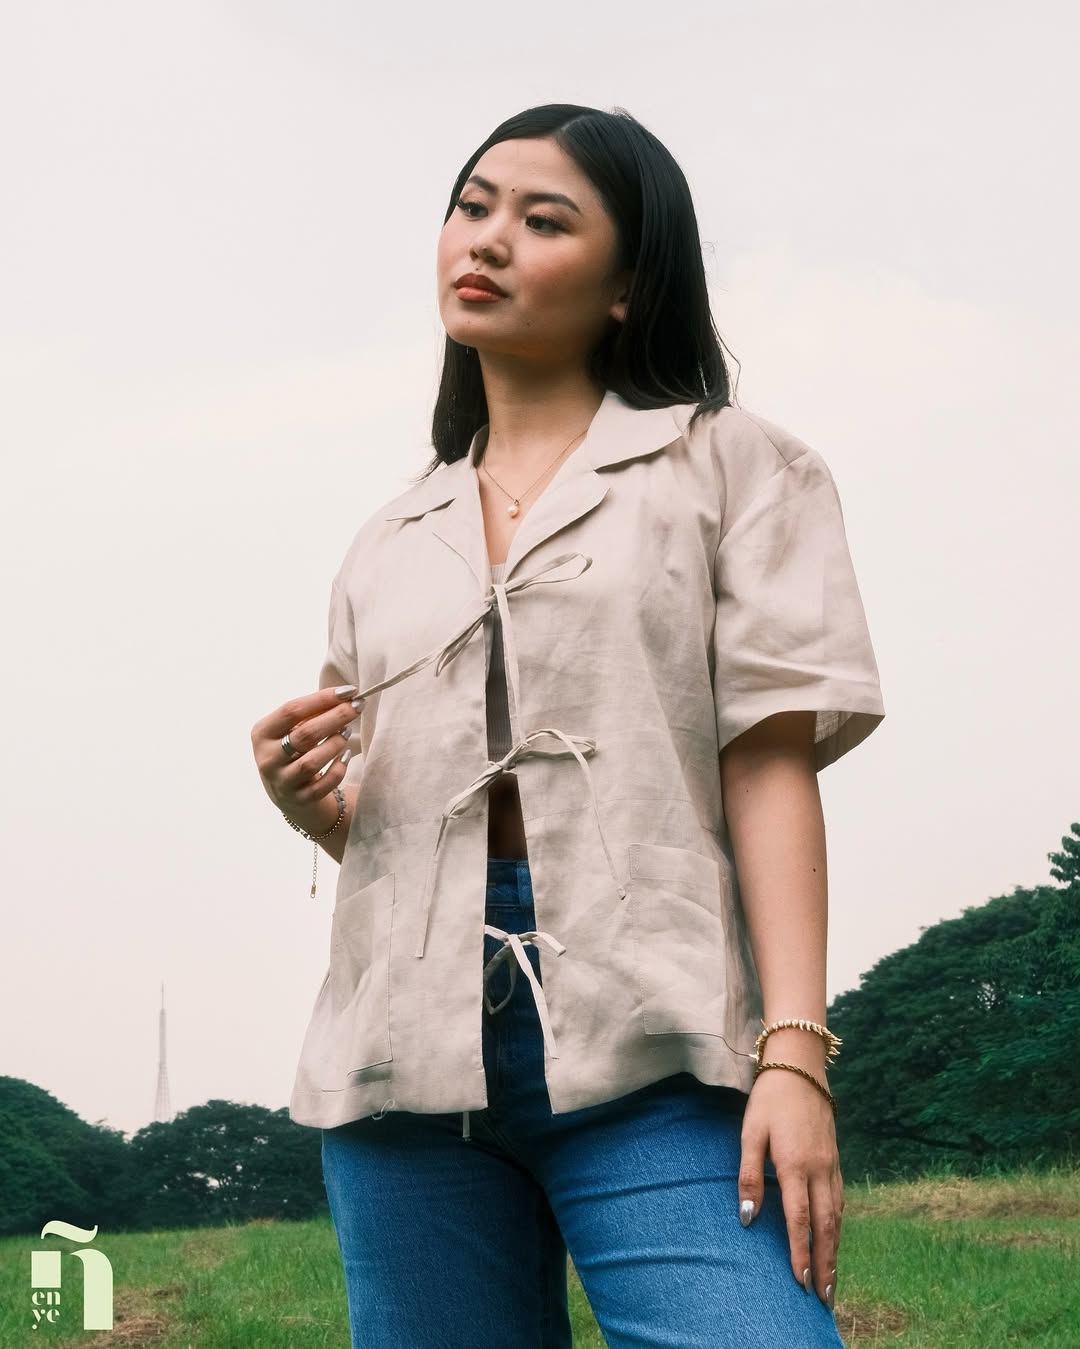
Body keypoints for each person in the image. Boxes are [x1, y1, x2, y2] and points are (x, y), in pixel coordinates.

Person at [251, 102, 885, 1349]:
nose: (487, 239)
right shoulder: (390, 538)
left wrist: (794, 1053)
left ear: (627, 286)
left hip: (653, 1036)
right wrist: (312, 805)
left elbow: (767, 764)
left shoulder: (735, 466)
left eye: (544, 221)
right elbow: (391, 830)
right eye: (472, 206)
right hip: (403, 1070)